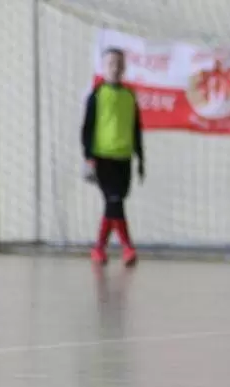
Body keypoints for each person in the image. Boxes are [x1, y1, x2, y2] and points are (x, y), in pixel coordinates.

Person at [81, 47, 145, 267]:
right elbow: (87, 127)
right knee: (114, 201)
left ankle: (99, 248)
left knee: (114, 203)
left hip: (124, 157)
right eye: (111, 64)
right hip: (103, 157)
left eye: (119, 64)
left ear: (124, 67)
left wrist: (141, 158)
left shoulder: (129, 96)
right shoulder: (97, 95)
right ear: (103, 67)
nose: (115, 68)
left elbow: (136, 128)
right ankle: (128, 247)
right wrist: (88, 156)